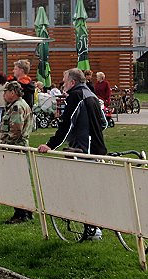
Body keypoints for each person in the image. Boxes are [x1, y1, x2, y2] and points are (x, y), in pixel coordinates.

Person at [38, 68, 108, 240]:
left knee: (82, 189)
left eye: (64, 78)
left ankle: (93, 228)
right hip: (98, 149)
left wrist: (50, 145)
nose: (62, 82)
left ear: (72, 82)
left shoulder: (76, 96)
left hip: (82, 150)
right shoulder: (91, 95)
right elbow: (104, 123)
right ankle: (95, 227)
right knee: (92, 189)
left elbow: (66, 124)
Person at [0, 81, 34, 223]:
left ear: (13, 92)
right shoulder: (20, 105)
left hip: (15, 148)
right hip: (19, 147)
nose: (4, 95)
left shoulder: (17, 107)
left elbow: (16, 130)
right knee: (22, 182)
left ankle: (20, 214)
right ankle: (26, 212)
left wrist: (5, 144)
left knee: (16, 182)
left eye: (6, 92)